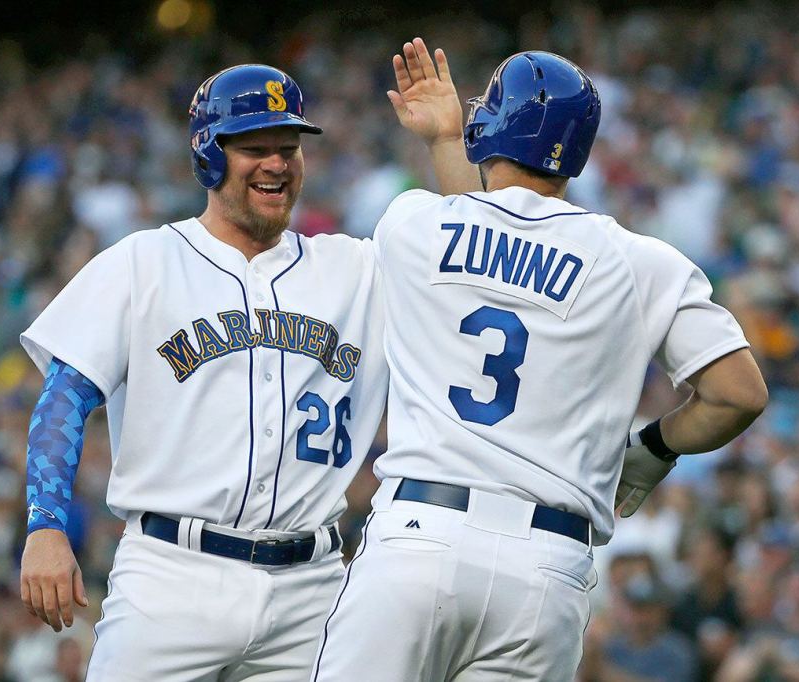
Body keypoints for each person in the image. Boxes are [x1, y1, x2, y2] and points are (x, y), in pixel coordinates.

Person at [19, 45, 475, 682]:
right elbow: (64, 397)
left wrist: (447, 143)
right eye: (254, 147)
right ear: (209, 155)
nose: (277, 164)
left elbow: (478, 261)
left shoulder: (356, 269)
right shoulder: (145, 262)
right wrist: (45, 525)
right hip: (172, 577)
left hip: (311, 587)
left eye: (288, 147)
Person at [311, 51, 767, 681]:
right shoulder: (641, 262)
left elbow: (480, 243)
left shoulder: (412, 221)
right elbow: (739, 394)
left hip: (418, 536)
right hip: (548, 569)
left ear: (491, 127)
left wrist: (445, 141)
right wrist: (654, 449)